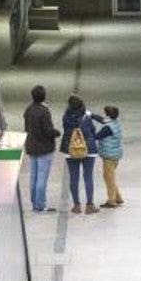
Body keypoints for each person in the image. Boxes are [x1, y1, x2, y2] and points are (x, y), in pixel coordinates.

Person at [60, 95, 100, 214]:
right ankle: (89, 205)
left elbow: (66, 131)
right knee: (88, 177)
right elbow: (92, 131)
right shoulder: (86, 117)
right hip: (88, 150)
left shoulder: (66, 117)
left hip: (71, 150)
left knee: (74, 177)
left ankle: (76, 205)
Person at [23, 85, 61, 213]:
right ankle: (40, 205)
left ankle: (34, 202)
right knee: (42, 176)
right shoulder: (44, 111)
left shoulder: (29, 110)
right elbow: (48, 130)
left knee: (33, 175)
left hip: (31, 146)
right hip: (44, 148)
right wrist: (57, 133)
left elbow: (27, 128)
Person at [92, 106, 124, 208]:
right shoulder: (115, 123)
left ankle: (111, 201)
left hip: (109, 156)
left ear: (108, 115)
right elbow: (102, 120)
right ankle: (118, 197)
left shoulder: (108, 128)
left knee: (108, 178)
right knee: (111, 176)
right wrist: (91, 115)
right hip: (116, 155)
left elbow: (96, 136)